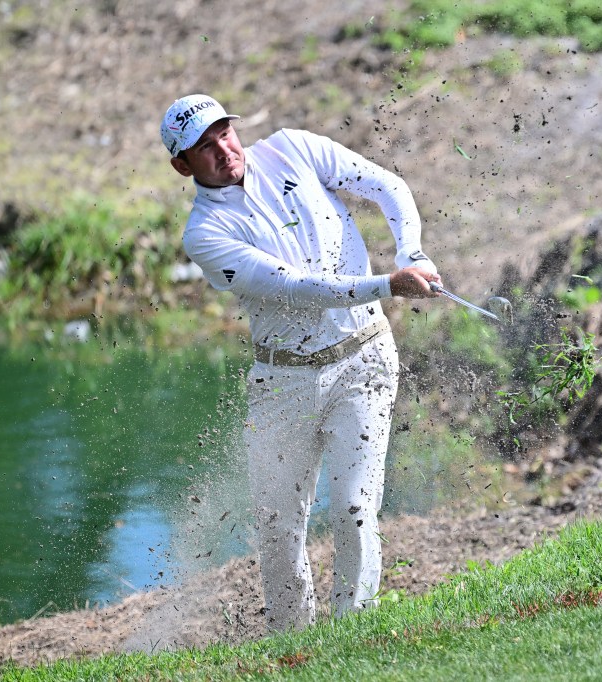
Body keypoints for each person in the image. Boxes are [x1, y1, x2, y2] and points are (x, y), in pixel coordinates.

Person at [160, 94, 441, 631]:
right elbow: (295, 289)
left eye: (225, 132)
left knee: (355, 510)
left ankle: (352, 636)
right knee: (277, 525)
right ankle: (294, 644)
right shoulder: (204, 234)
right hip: (282, 380)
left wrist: (412, 253)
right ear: (182, 164)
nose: (224, 149)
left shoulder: (293, 149)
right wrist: (389, 284)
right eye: (204, 146)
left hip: (364, 362)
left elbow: (388, 186)